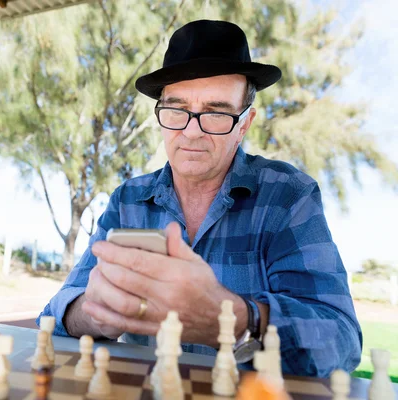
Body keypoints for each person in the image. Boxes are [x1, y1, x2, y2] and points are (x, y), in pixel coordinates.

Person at [37, 19, 362, 377]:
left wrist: (233, 320)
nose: (191, 132)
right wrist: (95, 312)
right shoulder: (128, 201)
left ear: (245, 123)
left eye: (216, 112)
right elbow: (53, 318)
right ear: (161, 116)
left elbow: (341, 342)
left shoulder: (286, 195)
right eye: (177, 109)